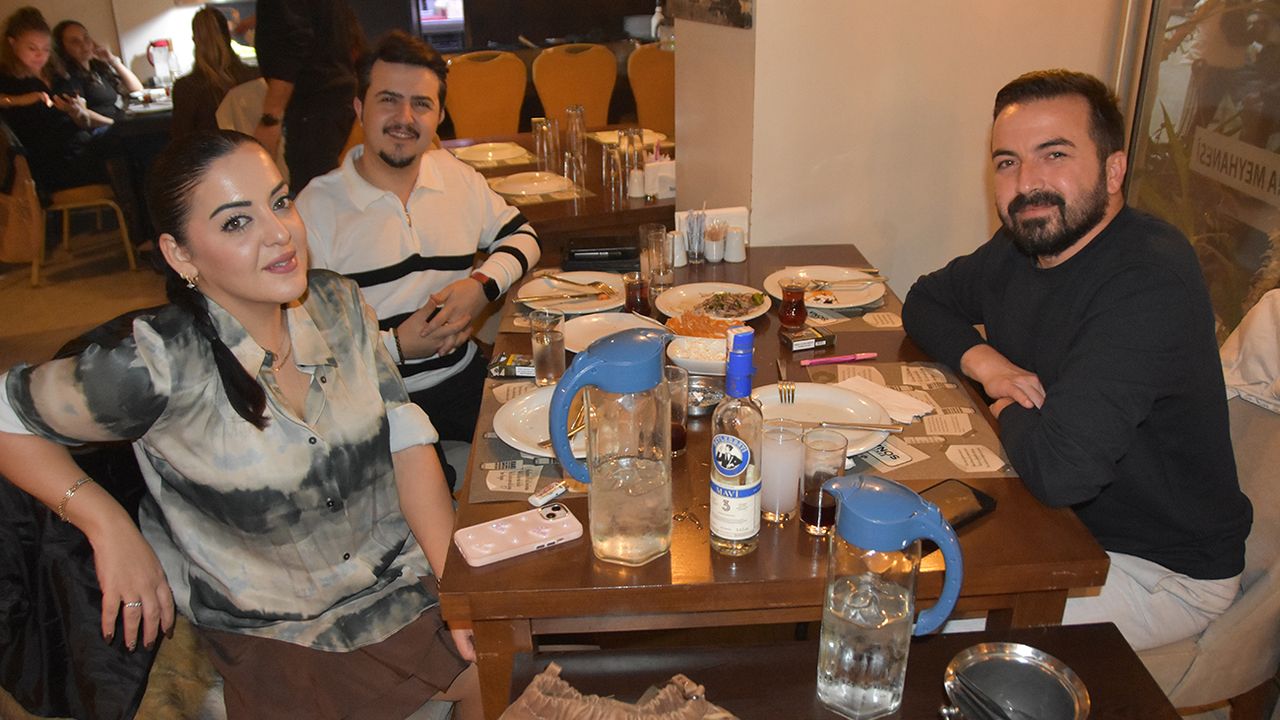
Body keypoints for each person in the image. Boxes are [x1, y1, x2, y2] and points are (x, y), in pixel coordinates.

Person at [0, 130, 479, 719]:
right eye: (236, 222)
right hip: (283, 633)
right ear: (180, 255)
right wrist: (106, 522)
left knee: (519, 662)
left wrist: (458, 587)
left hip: (402, 582)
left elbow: (407, 445)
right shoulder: (156, 364)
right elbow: (4, 414)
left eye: (280, 202)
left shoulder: (339, 303)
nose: (279, 233)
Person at [901, 69, 1252, 651]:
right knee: (873, 564)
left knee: (910, 628)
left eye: (1054, 154)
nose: (1027, 183)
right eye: (1008, 162)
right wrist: (989, 365)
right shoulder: (1026, 245)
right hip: (1050, 518)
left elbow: (1063, 472)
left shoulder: (1148, 279)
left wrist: (1009, 405)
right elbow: (925, 301)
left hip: (1154, 568)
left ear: (1113, 171)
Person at [298, 32, 540, 488]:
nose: (404, 118)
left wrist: (481, 287)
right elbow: (301, 345)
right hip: (376, 400)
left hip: (462, 375)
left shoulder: (457, 178)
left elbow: (523, 237)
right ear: (359, 108)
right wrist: (395, 347)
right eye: (388, 100)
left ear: (439, 116)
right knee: (434, 496)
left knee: (544, 454)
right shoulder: (316, 209)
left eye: (421, 104)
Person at [252, 0, 362, 192]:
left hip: (314, 104)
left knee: (316, 195)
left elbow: (294, 40)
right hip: (332, 98)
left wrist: (271, 116)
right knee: (330, 190)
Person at [0, 7, 110, 194]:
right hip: (49, 160)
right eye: (32, 48)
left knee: (131, 145)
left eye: (45, 49)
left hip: (81, 146)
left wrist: (77, 112)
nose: (40, 55)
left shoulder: (58, 75)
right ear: (13, 43)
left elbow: (83, 121)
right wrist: (20, 100)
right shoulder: (8, 79)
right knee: (124, 155)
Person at [170, 7, 260, 141]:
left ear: (195, 40)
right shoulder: (254, 77)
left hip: (212, 153)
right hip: (253, 151)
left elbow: (180, 140)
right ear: (229, 36)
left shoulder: (186, 88)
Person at [52, 19, 143, 123]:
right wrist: (116, 124)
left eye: (86, 38)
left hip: (118, 121)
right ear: (63, 48)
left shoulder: (97, 68)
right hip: (103, 128)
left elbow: (137, 90)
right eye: (75, 41)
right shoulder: (67, 77)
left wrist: (113, 61)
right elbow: (83, 114)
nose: (84, 45)